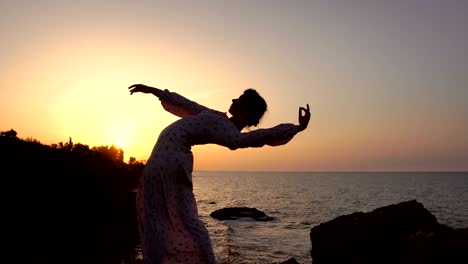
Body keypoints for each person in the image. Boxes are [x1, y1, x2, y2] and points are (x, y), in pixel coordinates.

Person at [129, 83, 311, 264]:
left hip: (170, 159)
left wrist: (296, 128)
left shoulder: (229, 133)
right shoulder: (219, 118)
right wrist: (154, 91)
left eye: (239, 99)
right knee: (158, 214)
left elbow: (260, 136)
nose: (233, 99)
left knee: (182, 218)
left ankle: (201, 259)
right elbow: (189, 104)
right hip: (164, 158)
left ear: (246, 109)